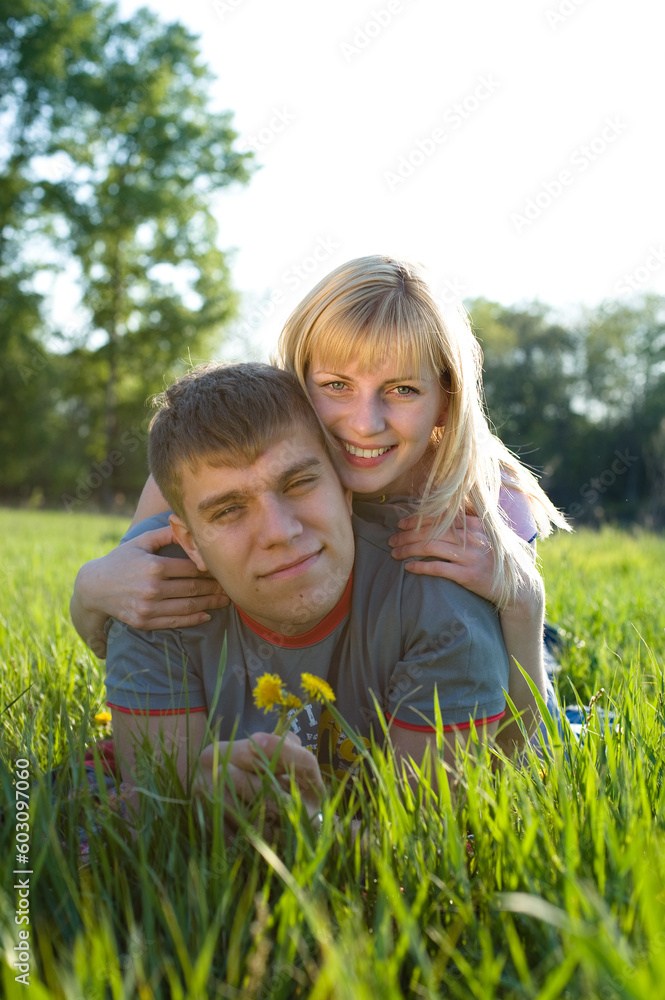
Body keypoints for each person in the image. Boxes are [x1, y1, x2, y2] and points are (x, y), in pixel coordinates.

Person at [72, 255, 567, 745]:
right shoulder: (230, 462)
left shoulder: (481, 499)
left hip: (469, 645)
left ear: (446, 398)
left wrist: (525, 605)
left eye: (402, 389)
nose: (365, 423)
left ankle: (552, 640)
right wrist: (90, 588)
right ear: (298, 378)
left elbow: (522, 738)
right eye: (336, 386)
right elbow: (140, 607)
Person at [104, 362, 510, 815]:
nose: (279, 531)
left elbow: (422, 847)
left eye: (298, 483)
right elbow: (160, 820)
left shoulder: (444, 607)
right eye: (229, 510)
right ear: (191, 544)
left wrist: (308, 829)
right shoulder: (153, 604)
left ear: (346, 488)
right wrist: (196, 810)